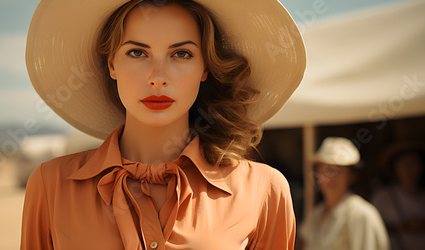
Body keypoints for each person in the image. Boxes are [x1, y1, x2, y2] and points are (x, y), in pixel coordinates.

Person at [21, 0, 306, 249]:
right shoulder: (50, 186)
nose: (158, 77)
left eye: (181, 54)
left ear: (205, 67)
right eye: (137, 52)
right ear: (112, 65)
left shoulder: (265, 190)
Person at [299, 137, 389, 250]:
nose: (331, 177)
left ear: (352, 176)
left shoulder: (360, 214)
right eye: (326, 169)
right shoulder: (315, 215)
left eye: (338, 170)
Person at [371, 142, 425, 250]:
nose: (408, 169)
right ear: (395, 168)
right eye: (403, 164)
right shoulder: (383, 197)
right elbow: (371, 229)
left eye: (412, 163)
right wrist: (404, 226)